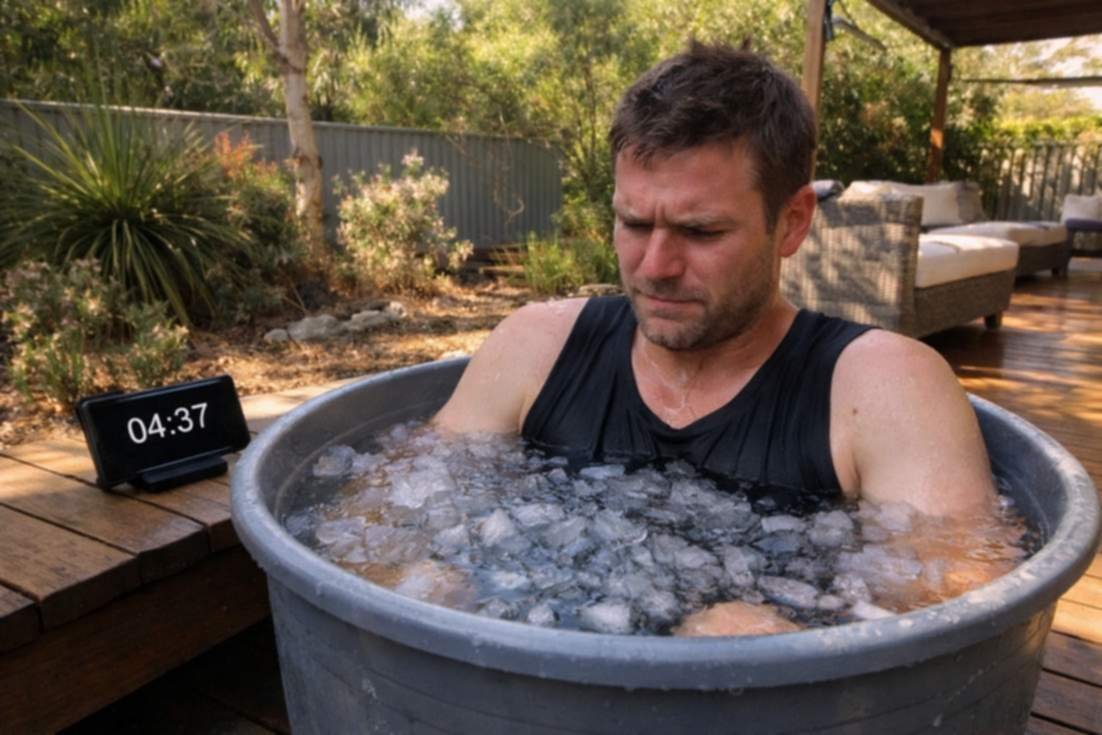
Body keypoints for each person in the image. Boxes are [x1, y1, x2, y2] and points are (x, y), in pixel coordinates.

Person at [433, 42, 1002, 635]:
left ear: (791, 223)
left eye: (700, 231)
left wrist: (788, 642)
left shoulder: (883, 387)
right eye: (633, 223)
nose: (654, 266)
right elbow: (390, 514)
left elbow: (959, 615)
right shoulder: (535, 347)